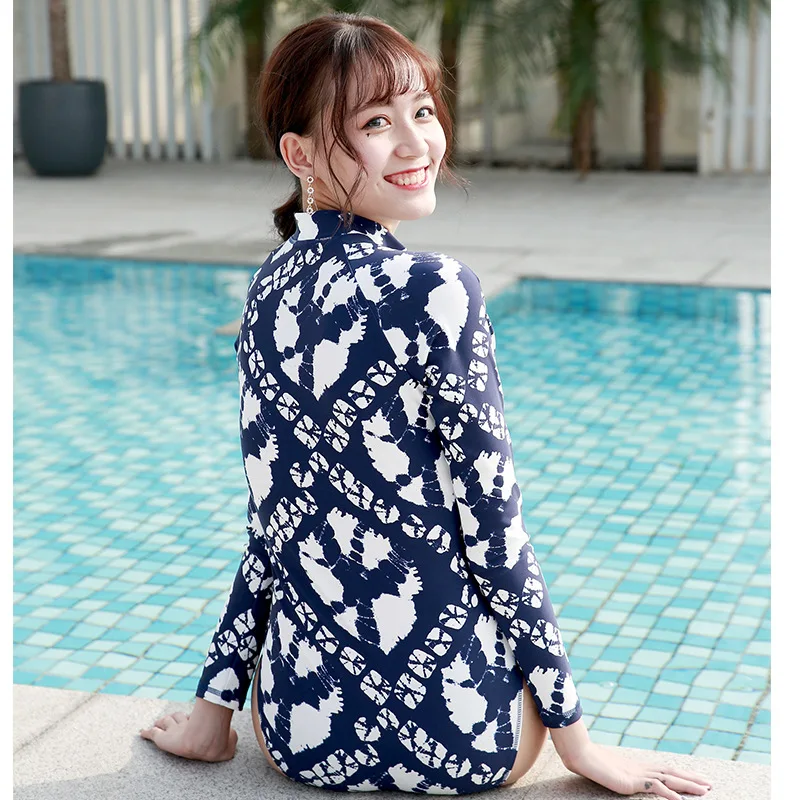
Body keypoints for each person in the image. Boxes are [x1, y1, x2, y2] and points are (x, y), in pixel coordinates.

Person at [141, 13, 713, 799]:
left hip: (303, 739)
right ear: (299, 155)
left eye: (421, 111)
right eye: (376, 123)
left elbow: (271, 521)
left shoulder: (267, 288)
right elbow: (495, 531)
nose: (418, 144)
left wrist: (214, 712)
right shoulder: (437, 288)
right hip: (465, 743)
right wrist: (579, 743)